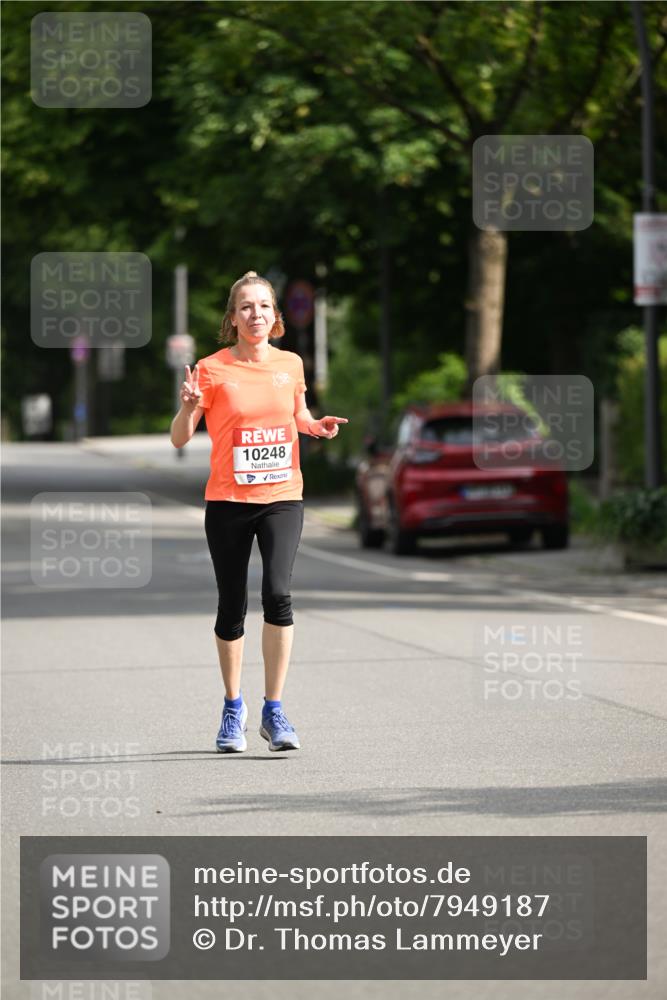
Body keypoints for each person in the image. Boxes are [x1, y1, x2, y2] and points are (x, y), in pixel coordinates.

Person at [170, 270, 347, 753]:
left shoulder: (291, 363)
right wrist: (188, 408)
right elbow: (181, 438)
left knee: (278, 593)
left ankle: (274, 709)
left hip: (282, 497)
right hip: (228, 500)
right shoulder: (210, 369)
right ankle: (233, 708)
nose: (256, 314)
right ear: (232, 318)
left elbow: (298, 415)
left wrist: (316, 427)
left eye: (264, 306)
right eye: (246, 307)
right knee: (231, 606)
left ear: (276, 316)